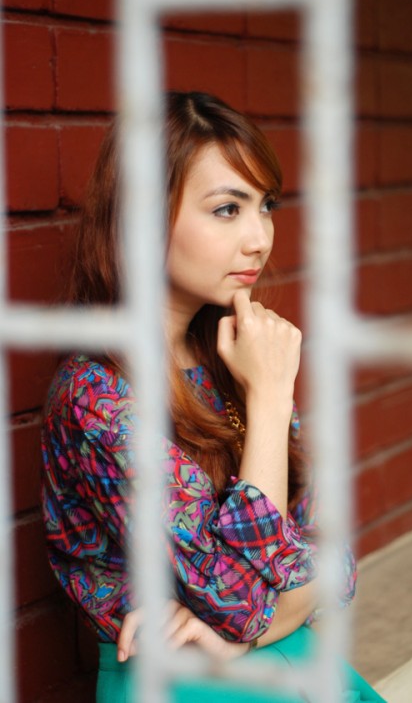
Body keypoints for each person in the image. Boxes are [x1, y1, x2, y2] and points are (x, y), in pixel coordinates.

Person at [41, 91, 385, 702]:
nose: (259, 239)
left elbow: (335, 561)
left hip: (284, 663)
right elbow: (246, 603)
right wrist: (271, 400)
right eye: (227, 209)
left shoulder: (232, 359)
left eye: (265, 206)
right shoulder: (97, 398)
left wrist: (245, 633)